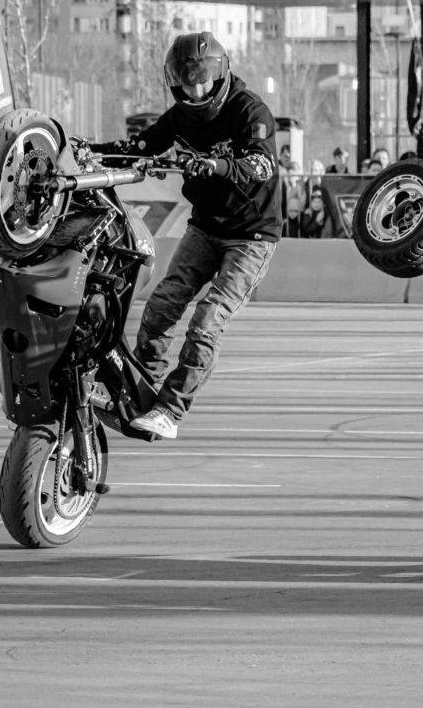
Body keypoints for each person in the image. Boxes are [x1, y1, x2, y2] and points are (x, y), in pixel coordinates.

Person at [90, 32, 280, 440]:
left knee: (207, 320)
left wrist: (216, 165)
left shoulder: (251, 111)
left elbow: (262, 165)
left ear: (220, 75)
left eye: (203, 82)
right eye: (187, 83)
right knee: (162, 304)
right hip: (206, 226)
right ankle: (140, 386)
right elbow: (138, 147)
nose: (195, 91)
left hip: (251, 237)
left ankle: (170, 409)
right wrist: (90, 152)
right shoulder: (179, 117)